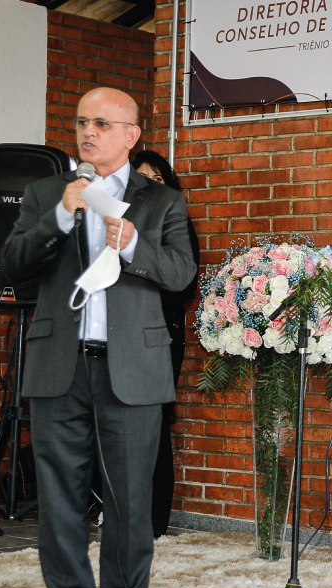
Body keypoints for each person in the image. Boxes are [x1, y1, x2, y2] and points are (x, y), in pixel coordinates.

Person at [1, 87, 195, 588]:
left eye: (103, 124)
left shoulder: (162, 202)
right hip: (59, 368)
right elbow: (11, 265)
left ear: (132, 136)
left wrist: (134, 244)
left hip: (131, 369)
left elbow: (181, 276)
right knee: (59, 499)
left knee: (130, 501)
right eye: (82, 121)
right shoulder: (46, 193)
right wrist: (60, 219)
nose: (89, 132)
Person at [130, 149, 201, 537]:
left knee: (153, 427)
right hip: (118, 338)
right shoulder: (116, 219)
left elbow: (184, 285)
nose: (149, 185)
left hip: (160, 336)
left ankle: (155, 521)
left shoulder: (176, 221)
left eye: (156, 179)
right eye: (141, 178)